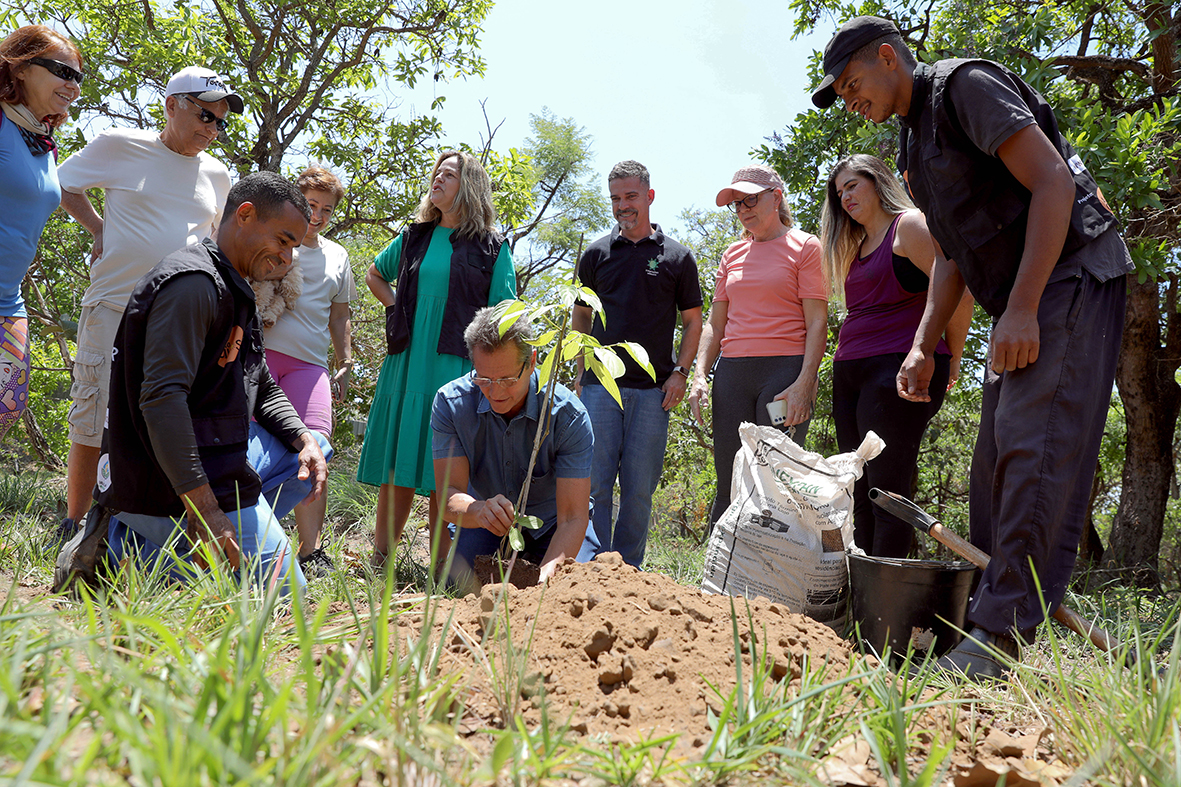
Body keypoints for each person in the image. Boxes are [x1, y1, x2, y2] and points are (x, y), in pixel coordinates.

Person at [812, 16, 1132, 680]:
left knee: (1032, 444)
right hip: (1021, 294)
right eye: (840, 94)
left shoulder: (965, 87)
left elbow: (1053, 182)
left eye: (850, 84)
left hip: (1071, 274)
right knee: (992, 462)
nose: (849, 100)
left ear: (887, 56)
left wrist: (1021, 308)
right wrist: (922, 344)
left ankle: (998, 636)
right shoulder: (912, 144)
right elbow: (953, 255)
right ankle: (990, 619)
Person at [55, 172, 330, 596]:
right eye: (282, 240)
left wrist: (303, 438)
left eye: (293, 247)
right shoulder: (193, 285)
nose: (287, 258)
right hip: (159, 481)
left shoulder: (236, 287)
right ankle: (132, 543)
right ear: (245, 215)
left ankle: (177, 546)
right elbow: (162, 402)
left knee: (314, 450)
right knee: (287, 595)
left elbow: (259, 381)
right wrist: (207, 513)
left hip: (216, 461)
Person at [56, 64, 239, 547]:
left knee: (167, 419)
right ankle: (76, 529)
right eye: (205, 115)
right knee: (93, 416)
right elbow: (64, 184)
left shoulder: (217, 174)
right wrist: (98, 228)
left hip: (179, 323)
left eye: (220, 122)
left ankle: (143, 530)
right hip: (114, 304)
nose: (212, 129)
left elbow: (216, 242)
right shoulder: (120, 145)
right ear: (172, 105)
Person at [357, 150, 517, 570]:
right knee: (398, 461)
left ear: (470, 187)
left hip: (456, 366)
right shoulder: (414, 237)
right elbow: (375, 274)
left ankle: (441, 571)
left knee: (443, 469)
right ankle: (381, 561)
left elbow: (504, 312)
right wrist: (398, 311)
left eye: (449, 174)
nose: (438, 179)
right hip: (407, 360)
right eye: (437, 173)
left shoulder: (493, 247)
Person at [819, 154, 974, 558]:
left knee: (887, 492)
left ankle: (887, 594)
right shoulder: (855, 247)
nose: (845, 197)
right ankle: (859, 588)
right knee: (855, 488)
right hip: (850, 372)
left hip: (896, 369)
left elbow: (959, 291)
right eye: (839, 192)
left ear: (878, 181)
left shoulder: (909, 225)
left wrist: (949, 356)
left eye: (852, 185)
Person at [573, 160, 703, 568]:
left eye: (630, 196)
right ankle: (593, 568)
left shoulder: (677, 257)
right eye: (615, 198)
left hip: (653, 393)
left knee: (638, 491)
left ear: (649, 196)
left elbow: (693, 322)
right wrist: (581, 372)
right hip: (599, 388)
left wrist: (681, 373)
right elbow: (581, 315)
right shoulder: (595, 254)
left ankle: (628, 571)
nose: (622, 205)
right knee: (594, 486)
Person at [687, 164, 827, 526]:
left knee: (775, 481)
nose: (743, 209)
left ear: (776, 197)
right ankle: (719, 560)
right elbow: (715, 324)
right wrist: (699, 375)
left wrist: (805, 382)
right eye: (737, 203)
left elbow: (817, 321)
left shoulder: (805, 246)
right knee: (729, 478)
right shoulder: (732, 254)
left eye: (750, 199)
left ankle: (778, 561)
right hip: (733, 375)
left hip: (784, 376)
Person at [432, 305, 599, 588]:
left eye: (507, 380)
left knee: (575, 588)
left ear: (531, 362)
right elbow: (449, 496)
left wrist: (542, 586)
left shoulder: (568, 416)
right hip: (486, 525)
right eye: (484, 379)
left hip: (555, 525)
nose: (495, 391)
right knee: (458, 587)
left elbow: (572, 518)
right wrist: (479, 511)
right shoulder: (451, 405)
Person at [261, 166, 357, 575]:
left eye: (326, 209)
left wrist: (345, 361)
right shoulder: (273, 240)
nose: (317, 215)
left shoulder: (338, 256)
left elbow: (340, 315)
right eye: (311, 205)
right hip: (262, 355)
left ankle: (310, 552)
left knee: (316, 447)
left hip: (310, 364)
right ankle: (250, 534)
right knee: (250, 443)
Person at [0, 26, 82, 442]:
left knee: (7, 404)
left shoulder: (40, 139)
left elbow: (53, 192)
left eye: (78, 77)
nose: (73, 85)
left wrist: (98, 228)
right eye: (62, 72)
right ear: (20, 68)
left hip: (7, 297)